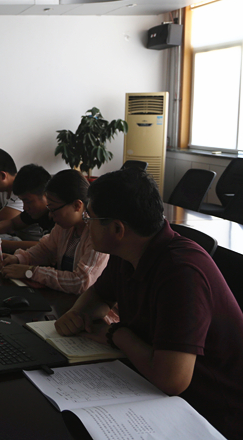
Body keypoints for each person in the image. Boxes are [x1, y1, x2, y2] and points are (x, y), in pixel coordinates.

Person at [55, 168, 243, 438]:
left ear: (117, 229)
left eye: (90, 218)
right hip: (154, 389)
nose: (86, 224)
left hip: (212, 414)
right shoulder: (127, 251)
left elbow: (172, 380)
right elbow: (99, 295)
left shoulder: (181, 272)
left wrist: (116, 333)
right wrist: (76, 314)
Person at [0, 169, 109, 294]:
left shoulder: (97, 234)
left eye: (54, 209)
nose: (50, 215)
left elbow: (81, 281)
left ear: (77, 205)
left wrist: (31, 272)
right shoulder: (65, 227)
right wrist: (18, 259)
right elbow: (45, 250)